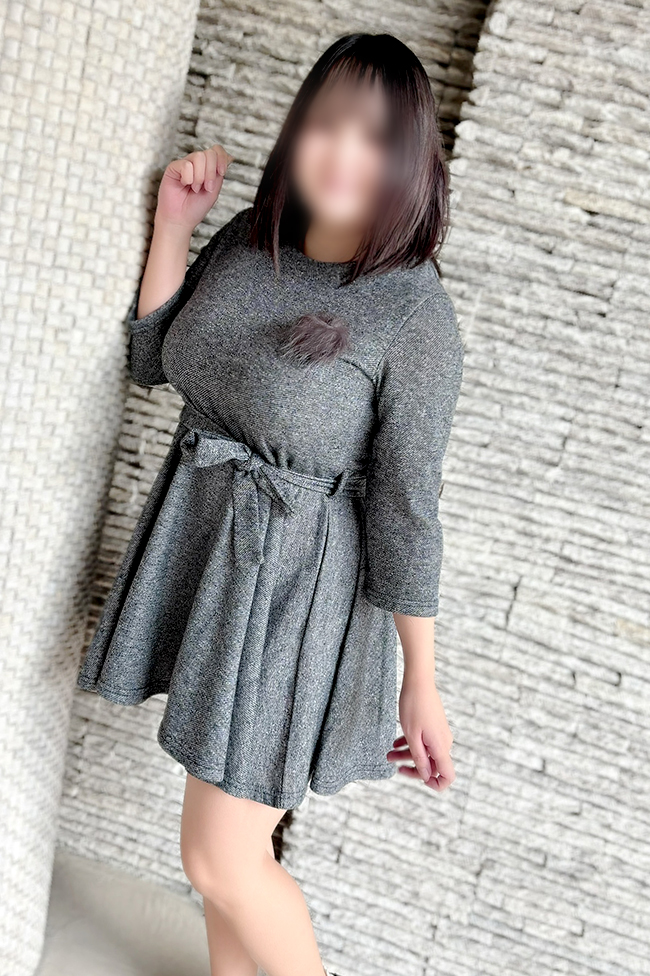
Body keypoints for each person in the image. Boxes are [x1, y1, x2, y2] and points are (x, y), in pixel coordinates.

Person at [78, 32, 463, 976]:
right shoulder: (252, 243)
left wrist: (421, 679)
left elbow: (408, 504)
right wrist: (175, 225)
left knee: (221, 860)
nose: (344, 152)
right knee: (226, 862)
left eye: (376, 137)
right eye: (328, 123)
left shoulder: (413, 310)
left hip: (298, 593)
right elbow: (154, 358)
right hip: (210, 550)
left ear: (409, 160)